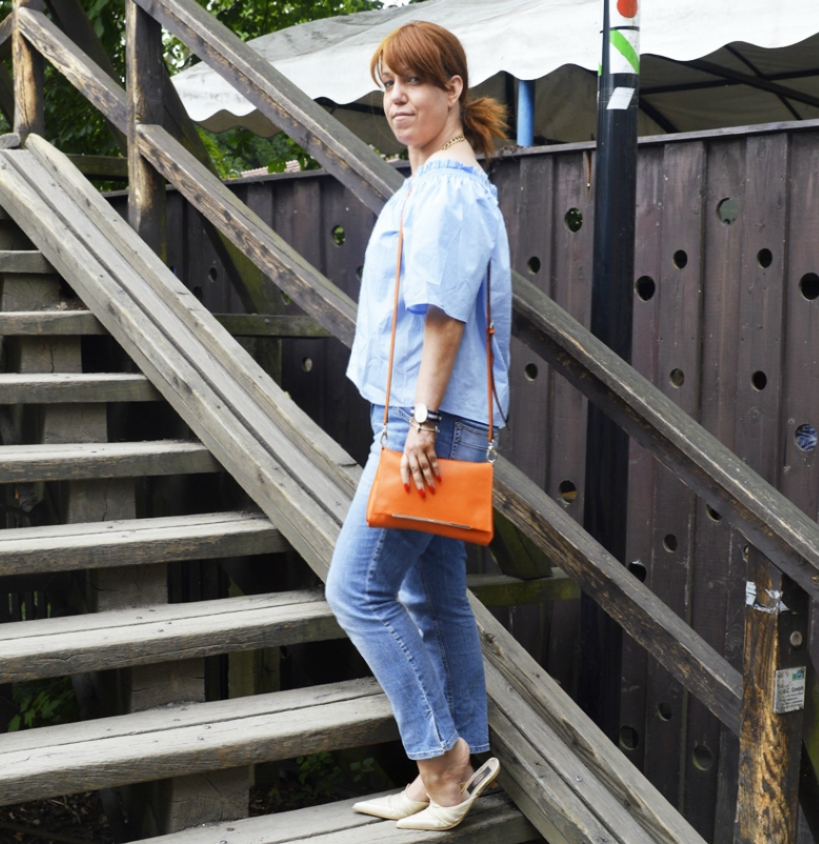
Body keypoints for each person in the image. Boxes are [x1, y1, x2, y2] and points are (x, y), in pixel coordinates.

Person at [324, 20, 512, 833]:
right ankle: (464, 753)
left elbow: (445, 319)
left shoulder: (450, 190)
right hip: (422, 413)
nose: (397, 99)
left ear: (453, 90)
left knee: (357, 591)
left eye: (414, 83)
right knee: (433, 594)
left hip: (424, 419)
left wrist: (421, 423)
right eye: (388, 85)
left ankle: (442, 765)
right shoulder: (436, 182)